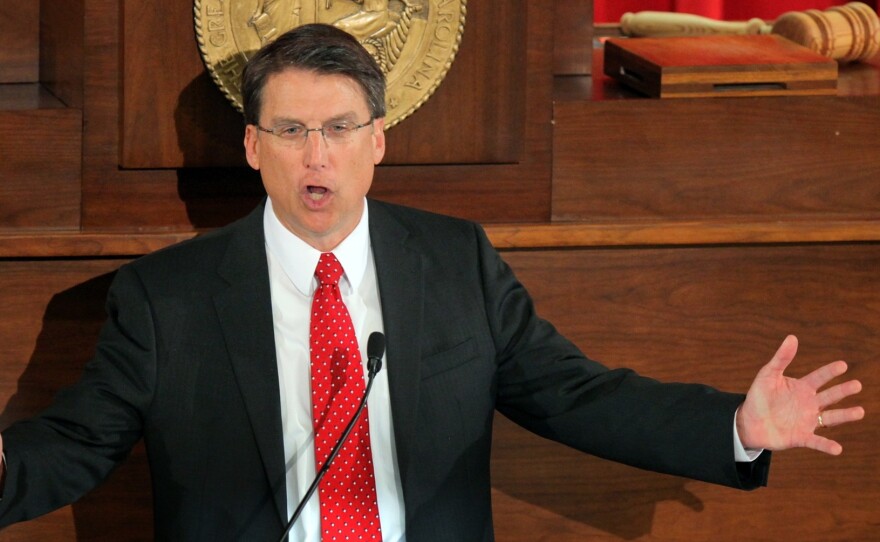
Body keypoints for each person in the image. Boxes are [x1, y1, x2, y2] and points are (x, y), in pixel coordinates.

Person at [0, 23, 864, 541]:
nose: (317, 155)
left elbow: (579, 396)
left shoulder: (456, 264)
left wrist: (736, 426)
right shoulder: (168, 298)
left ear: (378, 141)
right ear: (253, 146)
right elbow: (77, 444)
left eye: (339, 128)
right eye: (291, 129)